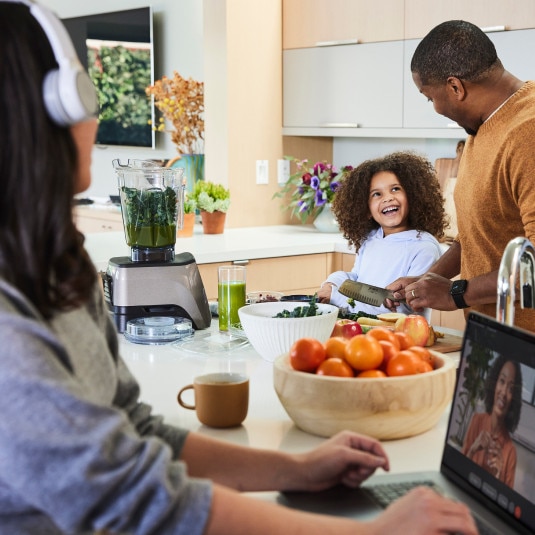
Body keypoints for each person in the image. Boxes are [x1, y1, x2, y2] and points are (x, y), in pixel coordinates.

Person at [0, 3, 479, 534]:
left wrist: (297, 469)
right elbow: (130, 501)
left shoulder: (52, 270)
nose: (92, 116)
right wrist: (374, 532)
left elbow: (135, 430)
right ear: (45, 111)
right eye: (85, 96)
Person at [386, 20, 535, 332]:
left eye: (430, 97)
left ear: (455, 87)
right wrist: (433, 278)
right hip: (493, 336)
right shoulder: (482, 126)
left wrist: (456, 293)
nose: (435, 108)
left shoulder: (527, 132)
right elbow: (479, 231)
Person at [318, 152, 447, 317]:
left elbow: (399, 310)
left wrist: (336, 297)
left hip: (400, 337)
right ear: (366, 209)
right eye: (377, 194)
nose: (388, 198)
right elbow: (356, 279)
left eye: (395, 189)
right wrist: (332, 282)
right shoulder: (370, 239)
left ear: (413, 196)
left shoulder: (423, 248)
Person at [462, 355, 523, 488]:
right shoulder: (477, 420)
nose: (504, 392)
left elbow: (504, 502)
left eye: (511, 389)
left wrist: (498, 475)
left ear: (514, 399)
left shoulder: (510, 452)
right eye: (501, 381)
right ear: (494, 383)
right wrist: (472, 450)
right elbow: (459, 469)